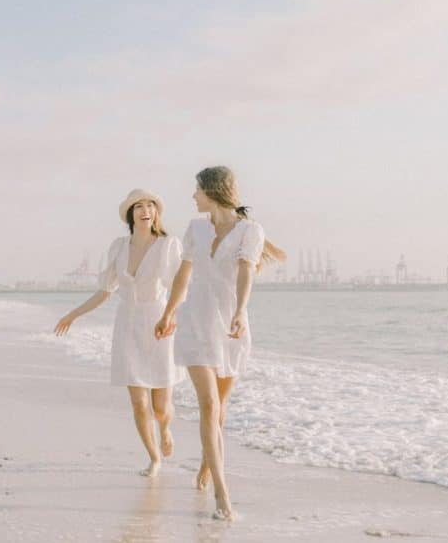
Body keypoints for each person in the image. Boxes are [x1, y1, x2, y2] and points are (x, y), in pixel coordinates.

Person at [154, 166, 285, 520]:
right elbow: (184, 274)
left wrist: (241, 312)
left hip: (230, 327)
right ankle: (223, 497)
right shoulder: (195, 229)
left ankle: (207, 461)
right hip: (196, 323)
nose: (193, 197)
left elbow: (245, 272)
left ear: (212, 191)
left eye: (197, 190)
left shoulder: (251, 231)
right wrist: (169, 313)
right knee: (209, 405)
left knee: (220, 407)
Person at [55, 189, 184, 477]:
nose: (145, 209)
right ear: (131, 214)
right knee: (139, 403)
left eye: (150, 205)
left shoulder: (168, 245)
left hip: (159, 324)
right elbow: (105, 291)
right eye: (138, 206)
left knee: (161, 407)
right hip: (127, 325)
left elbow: (179, 284)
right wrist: (73, 315)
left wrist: (171, 315)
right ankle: (154, 459)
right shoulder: (118, 247)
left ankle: (165, 428)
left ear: (156, 213)